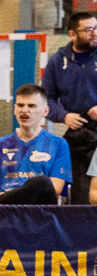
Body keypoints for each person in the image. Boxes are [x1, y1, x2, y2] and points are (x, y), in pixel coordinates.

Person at [0, 84, 70, 205]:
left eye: (31, 106)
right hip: (5, 210)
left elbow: (54, 191)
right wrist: (10, 197)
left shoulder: (59, 144)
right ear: (15, 109)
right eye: (20, 105)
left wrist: (11, 195)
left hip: (38, 210)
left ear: (45, 111)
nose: (24, 110)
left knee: (42, 183)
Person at [41, 12, 97, 205]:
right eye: (89, 29)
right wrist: (64, 116)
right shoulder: (57, 61)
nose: (95, 33)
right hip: (78, 132)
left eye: (96, 27)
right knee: (72, 181)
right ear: (72, 34)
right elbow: (47, 99)